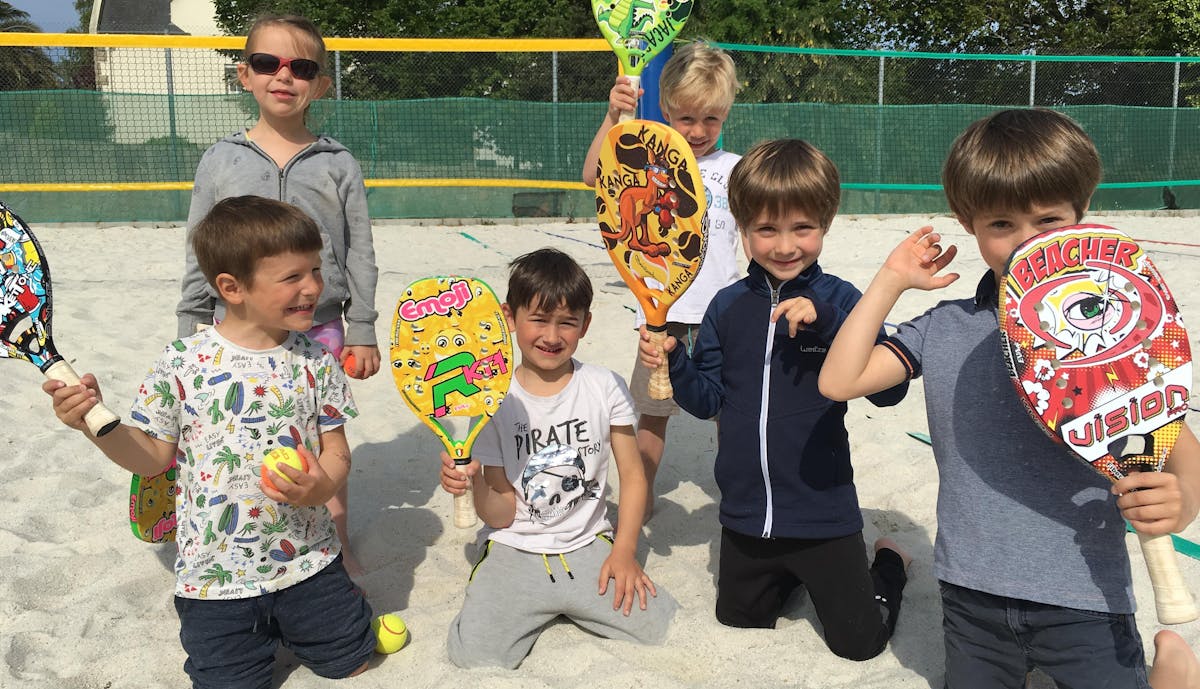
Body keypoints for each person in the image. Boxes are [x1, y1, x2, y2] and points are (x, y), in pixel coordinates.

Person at [818, 108, 1200, 687]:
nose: (1028, 241)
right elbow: (838, 381)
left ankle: (1170, 654)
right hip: (971, 594)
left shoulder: (1110, 330)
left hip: (1085, 594)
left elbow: (1177, 441)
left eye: (1048, 219)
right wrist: (890, 280)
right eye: (1002, 224)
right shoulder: (944, 327)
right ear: (967, 222)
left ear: (1081, 215)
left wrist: (1184, 500)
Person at [45, 196, 375, 687]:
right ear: (231, 287)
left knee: (355, 663)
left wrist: (321, 487)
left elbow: (337, 450)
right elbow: (151, 457)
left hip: (309, 561)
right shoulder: (183, 362)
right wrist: (93, 424)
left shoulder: (315, 360)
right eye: (292, 277)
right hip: (216, 580)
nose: (313, 288)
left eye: (315, 271)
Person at [638, 139, 910, 660]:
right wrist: (674, 362)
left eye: (802, 228)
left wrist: (831, 325)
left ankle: (889, 568)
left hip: (822, 513)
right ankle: (791, 575)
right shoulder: (726, 306)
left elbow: (892, 392)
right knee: (740, 618)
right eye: (766, 229)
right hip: (745, 514)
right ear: (741, 229)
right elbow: (707, 401)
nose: (785, 245)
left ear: (826, 224)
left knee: (860, 645)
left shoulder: (844, 301)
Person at [175, 14, 379, 576]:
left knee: (323, 440)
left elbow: (359, 250)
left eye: (301, 67)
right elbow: (200, 247)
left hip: (322, 323)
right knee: (243, 438)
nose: (283, 76)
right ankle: (250, 546)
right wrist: (190, 323)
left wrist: (362, 328)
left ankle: (334, 547)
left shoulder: (337, 162)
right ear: (245, 74)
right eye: (267, 63)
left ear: (321, 84)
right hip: (235, 328)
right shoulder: (221, 158)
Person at [438, 247, 677, 669]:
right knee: (472, 657)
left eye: (567, 322)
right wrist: (474, 479)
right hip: (516, 549)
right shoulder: (492, 400)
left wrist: (623, 551)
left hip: (589, 546)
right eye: (539, 319)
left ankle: (575, 600)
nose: (552, 336)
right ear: (509, 318)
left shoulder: (604, 386)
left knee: (659, 626)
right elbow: (500, 514)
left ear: (585, 324)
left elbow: (634, 478)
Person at [581, 41, 741, 519]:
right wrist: (613, 118)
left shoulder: (733, 170)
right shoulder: (647, 155)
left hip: (722, 317)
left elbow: (753, 237)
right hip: (660, 316)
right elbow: (593, 175)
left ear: (726, 114)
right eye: (687, 118)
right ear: (667, 108)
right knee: (651, 415)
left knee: (729, 414)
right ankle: (640, 494)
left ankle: (738, 494)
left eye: (711, 119)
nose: (697, 131)